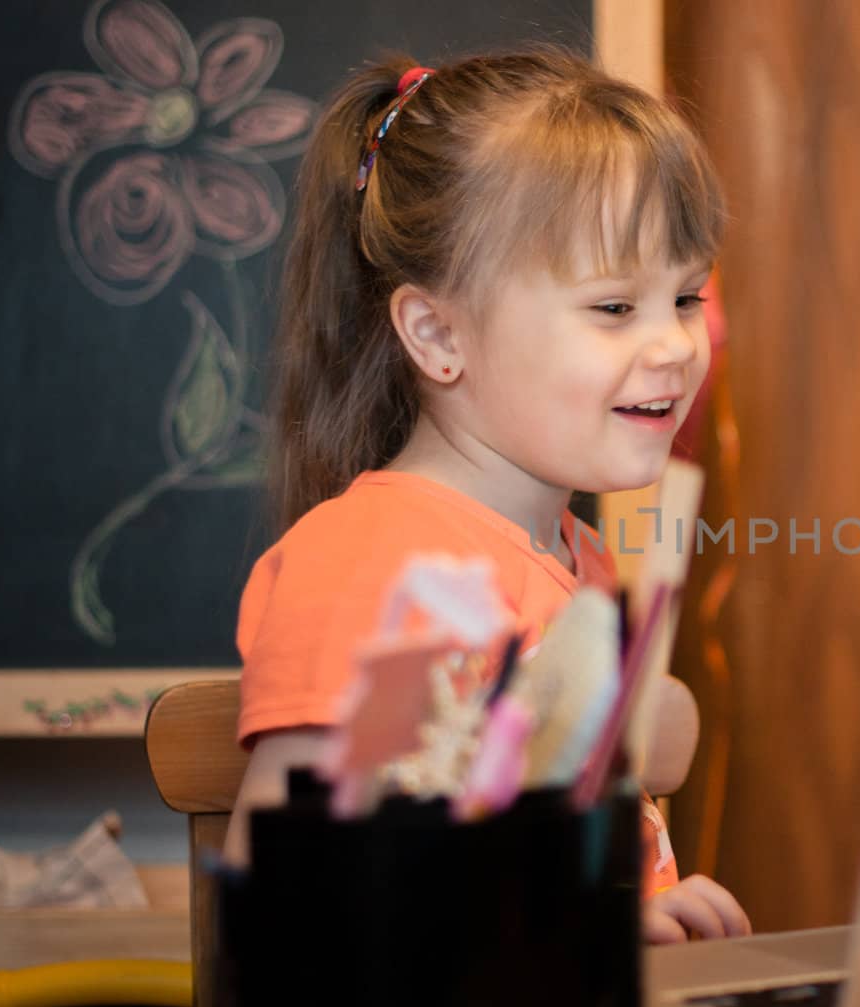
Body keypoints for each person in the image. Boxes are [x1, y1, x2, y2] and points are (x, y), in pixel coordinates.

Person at [224, 48, 750, 947]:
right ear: (436, 333)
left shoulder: (579, 564)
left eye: (687, 296)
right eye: (615, 308)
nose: (673, 346)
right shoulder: (387, 570)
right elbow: (302, 909)